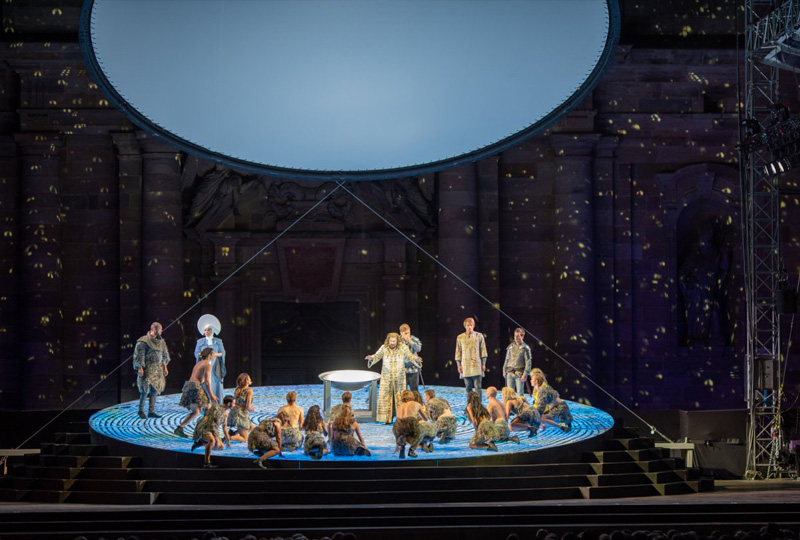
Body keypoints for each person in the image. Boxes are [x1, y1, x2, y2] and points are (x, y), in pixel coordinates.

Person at [366, 332, 421, 424]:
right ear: (388, 340)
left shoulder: (403, 347)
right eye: (390, 341)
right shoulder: (384, 348)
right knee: (387, 398)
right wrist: (371, 358)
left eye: (394, 341)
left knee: (399, 398)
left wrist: (415, 359)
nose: (392, 343)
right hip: (387, 378)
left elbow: (410, 356)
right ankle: (388, 418)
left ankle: (401, 418)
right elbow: (377, 356)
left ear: (397, 341)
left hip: (399, 378)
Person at [174, 347, 215, 438]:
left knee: (196, 411)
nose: (214, 355)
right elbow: (207, 382)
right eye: (213, 354)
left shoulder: (199, 363)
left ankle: (180, 428)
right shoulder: (207, 365)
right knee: (208, 408)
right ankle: (205, 431)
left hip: (189, 385)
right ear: (209, 355)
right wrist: (212, 395)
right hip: (195, 386)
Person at [133, 322, 170, 419]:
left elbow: (164, 355)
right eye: (159, 329)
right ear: (153, 329)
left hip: (157, 369)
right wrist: (140, 367)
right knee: (145, 390)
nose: (161, 331)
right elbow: (139, 355)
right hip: (147, 369)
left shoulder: (161, 342)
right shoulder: (144, 341)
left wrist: (165, 367)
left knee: (155, 390)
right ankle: (141, 410)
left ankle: (151, 411)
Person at [393, 390, 436, 459]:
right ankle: (411, 450)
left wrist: (397, 445)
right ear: (412, 396)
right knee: (422, 432)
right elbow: (425, 418)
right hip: (410, 423)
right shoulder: (416, 404)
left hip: (398, 426)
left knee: (403, 433)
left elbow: (397, 420)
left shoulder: (400, 406)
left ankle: (402, 447)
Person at [194, 320, 226, 405]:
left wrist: (213, 354)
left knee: (216, 384)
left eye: (209, 330)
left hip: (215, 366)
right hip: (204, 365)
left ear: (212, 331)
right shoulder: (200, 341)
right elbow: (196, 353)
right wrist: (204, 355)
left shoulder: (218, 341)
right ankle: (205, 404)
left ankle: (217, 404)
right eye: (205, 330)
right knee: (205, 383)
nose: (207, 332)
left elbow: (222, 353)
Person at [190, 402, 230, 468]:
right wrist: (217, 439)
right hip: (204, 426)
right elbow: (212, 425)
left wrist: (228, 439)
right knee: (212, 441)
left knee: (220, 447)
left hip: (212, 428)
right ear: (229, 403)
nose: (234, 405)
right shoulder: (217, 409)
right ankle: (207, 463)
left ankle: (201, 442)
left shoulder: (226, 412)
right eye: (234, 403)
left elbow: (224, 426)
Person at [454, 317, 487, 400]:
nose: (469, 327)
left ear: (473, 326)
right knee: (468, 387)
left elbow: (483, 350)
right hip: (465, 365)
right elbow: (458, 352)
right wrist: (458, 365)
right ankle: (470, 404)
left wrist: (483, 363)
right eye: (468, 325)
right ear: (465, 326)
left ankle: (478, 404)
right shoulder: (460, 337)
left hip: (476, 365)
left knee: (478, 387)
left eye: (471, 325)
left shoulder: (479, 336)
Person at [502, 328, 531, 396]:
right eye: (515, 336)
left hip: (519, 374)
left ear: (522, 336)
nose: (516, 338)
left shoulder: (525, 348)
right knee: (510, 393)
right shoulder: (510, 347)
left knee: (520, 394)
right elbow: (507, 359)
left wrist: (525, 374)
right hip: (509, 372)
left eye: (518, 336)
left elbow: (528, 362)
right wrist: (504, 370)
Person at [227, 373, 255, 442]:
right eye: (249, 378)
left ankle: (233, 433)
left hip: (235, 412)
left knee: (252, 428)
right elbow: (247, 406)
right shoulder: (249, 391)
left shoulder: (238, 389)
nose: (250, 380)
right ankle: (228, 438)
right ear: (246, 381)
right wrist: (252, 409)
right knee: (244, 438)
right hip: (241, 415)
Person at [399, 323, 423, 391]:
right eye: (405, 333)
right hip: (401, 369)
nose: (407, 335)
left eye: (408, 332)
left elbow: (419, 349)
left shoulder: (413, 339)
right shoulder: (397, 341)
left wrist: (410, 342)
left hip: (413, 368)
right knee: (403, 391)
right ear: (401, 333)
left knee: (414, 389)